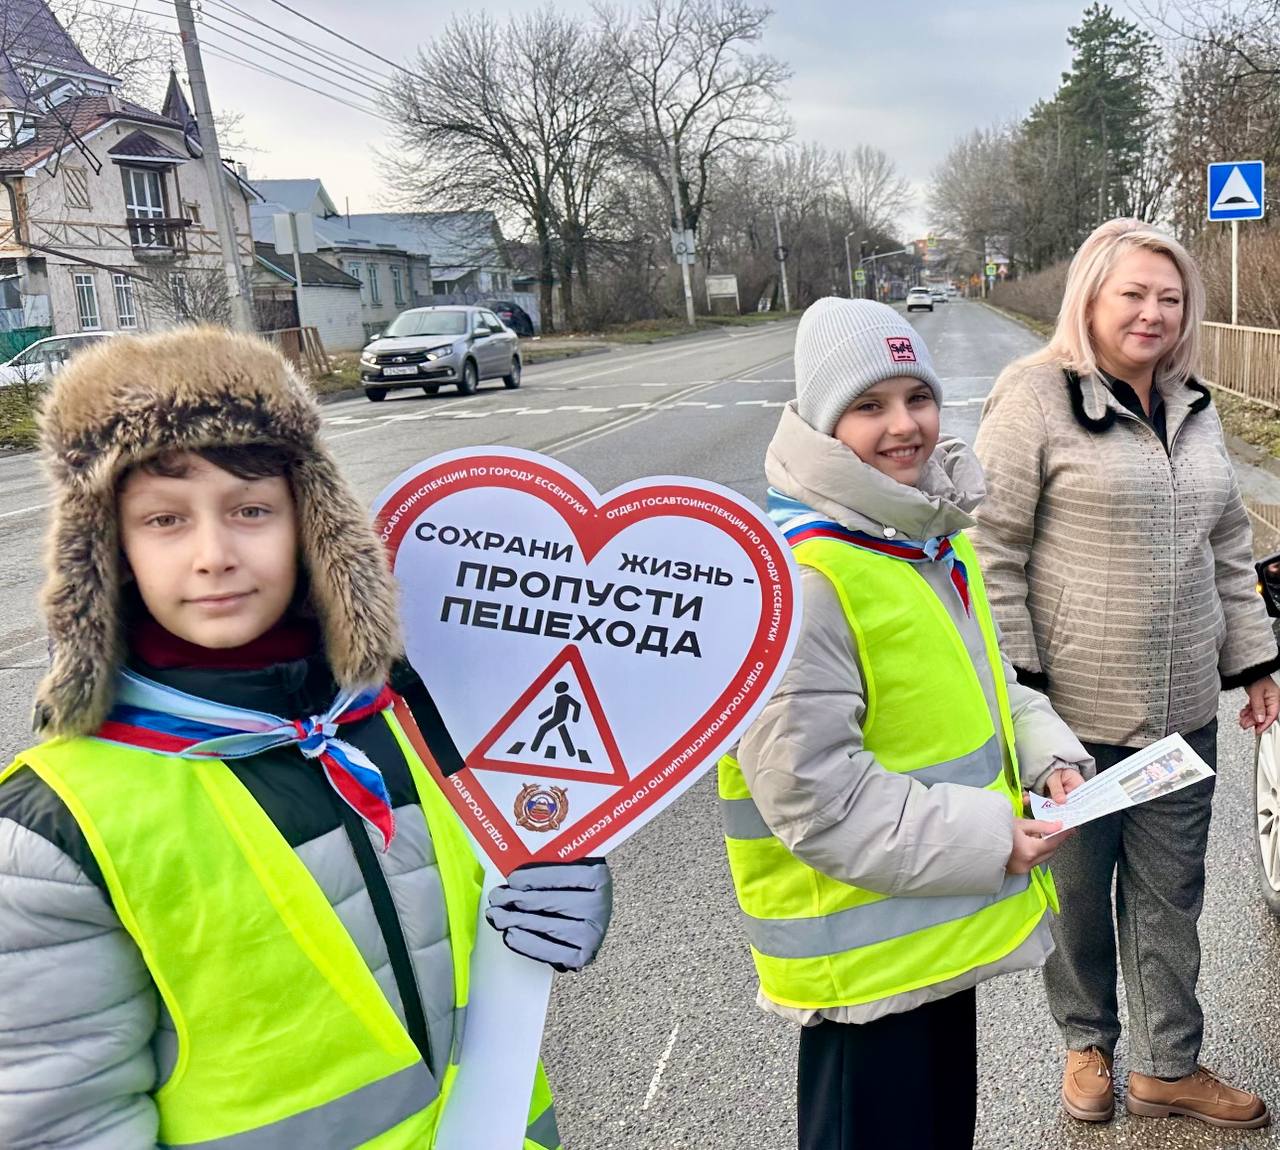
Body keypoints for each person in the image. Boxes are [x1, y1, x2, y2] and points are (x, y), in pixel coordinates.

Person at [0, 327, 612, 1148]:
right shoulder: (55, 829)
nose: (215, 555)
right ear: (109, 548)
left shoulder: (409, 714)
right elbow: (61, 1121)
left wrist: (560, 888)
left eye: (251, 510)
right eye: (165, 520)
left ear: (314, 524)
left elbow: (504, 873)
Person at [720, 298, 1093, 1150]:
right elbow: (812, 796)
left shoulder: (922, 538)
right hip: (864, 972)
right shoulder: (803, 577)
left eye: (917, 397)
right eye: (868, 406)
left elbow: (986, 686)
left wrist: (1047, 756)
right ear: (821, 421)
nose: (905, 426)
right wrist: (992, 835)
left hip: (929, 940)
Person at [971, 217, 1280, 1130]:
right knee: (1077, 899)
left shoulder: (1194, 401)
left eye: (1170, 298)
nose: (1152, 314)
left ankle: (1170, 1065)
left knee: (1172, 895)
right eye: (1133, 295)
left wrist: (1256, 659)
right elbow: (991, 551)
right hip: (1071, 716)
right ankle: (1087, 1046)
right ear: (1091, 301)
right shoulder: (1033, 396)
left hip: (1182, 707)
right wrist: (1020, 692)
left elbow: (1229, 543)